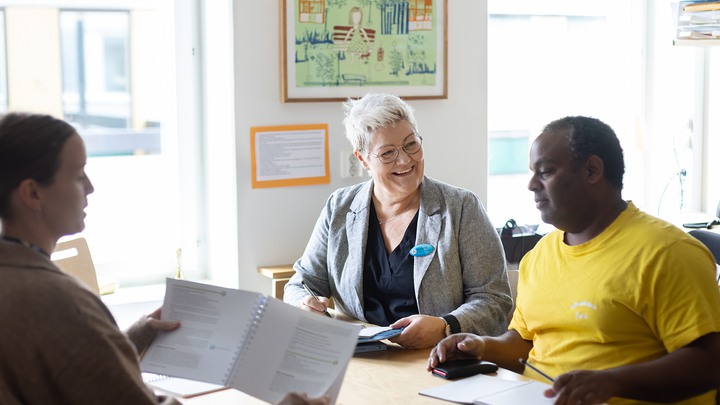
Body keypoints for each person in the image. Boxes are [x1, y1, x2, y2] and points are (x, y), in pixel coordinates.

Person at [0, 112, 328, 405]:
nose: (90, 187)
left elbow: (70, 371)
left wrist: (128, 339)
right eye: (78, 175)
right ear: (32, 193)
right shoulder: (59, 301)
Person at [427, 116, 720, 404]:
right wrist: (481, 346)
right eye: (532, 172)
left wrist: (613, 382)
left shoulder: (668, 252)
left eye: (545, 171)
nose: (532, 184)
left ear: (592, 170)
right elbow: (525, 344)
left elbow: (709, 362)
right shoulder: (540, 255)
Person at [284, 93, 512, 349]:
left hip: (437, 356)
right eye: (388, 153)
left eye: (411, 144)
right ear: (363, 159)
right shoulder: (339, 207)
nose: (404, 160)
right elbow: (302, 283)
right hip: (360, 357)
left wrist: (445, 326)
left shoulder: (461, 208)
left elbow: (495, 300)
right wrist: (303, 303)